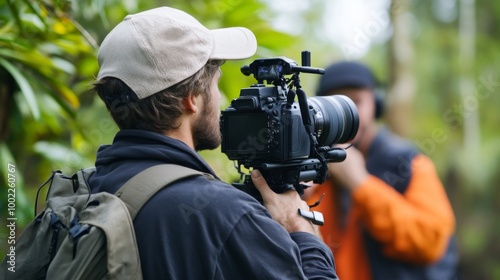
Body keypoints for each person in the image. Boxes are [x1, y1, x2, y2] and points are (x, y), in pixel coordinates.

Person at [88, 6, 338, 280]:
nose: (220, 101)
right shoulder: (225, 215)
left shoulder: (92, 187)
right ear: (191, 98)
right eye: (215, 85)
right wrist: (299, 229)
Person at [304, 61, 458, 280]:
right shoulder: (315, 169)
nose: (346, 114)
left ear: (376, 105)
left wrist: (361, 184)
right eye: (334, 104)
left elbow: (431, 242)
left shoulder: (410, 163)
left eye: (356, 101)